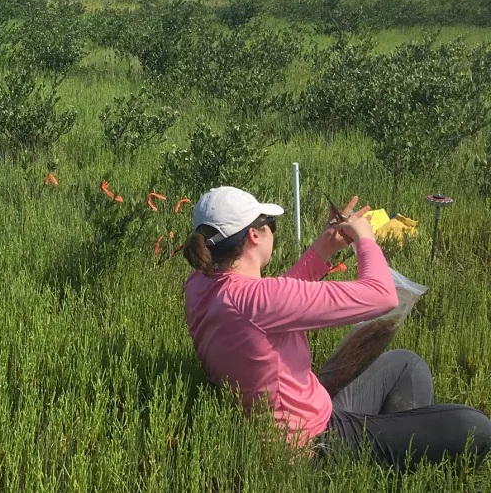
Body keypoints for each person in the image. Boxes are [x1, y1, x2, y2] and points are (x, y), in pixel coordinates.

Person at [182, 186, 491, 469]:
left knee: (407, 365)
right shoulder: (255, 298)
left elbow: (275, 304)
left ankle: (397, 456)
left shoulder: (200, 285)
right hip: (312, 443)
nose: (273, 232)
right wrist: (365, 239)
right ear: (254, 236)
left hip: (303, 414)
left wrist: (324, 247)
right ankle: (398, 459)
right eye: (271, 225)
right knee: (474, 427)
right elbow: (382, 296)